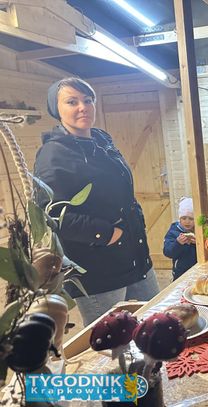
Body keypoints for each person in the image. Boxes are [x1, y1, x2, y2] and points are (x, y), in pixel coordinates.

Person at [34, 77, 160, 326]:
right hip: (99, 271)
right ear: (56, 109)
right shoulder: (53, 154)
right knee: (113, 340)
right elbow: (51, 215)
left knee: (156, 325)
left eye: (88, 100)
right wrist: (107, 233)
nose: (83, 107)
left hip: (135, 257)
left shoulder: (102, 140)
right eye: (72, 102)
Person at [163, 197, 197, 281]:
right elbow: (167, 252)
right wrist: (178, 243)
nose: (187, 221)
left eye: (191, 218)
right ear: (180, 219)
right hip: (180, 273)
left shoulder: (199, 232)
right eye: (184, 218)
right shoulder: (173, 232)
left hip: (196, 270)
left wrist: (198, 243)